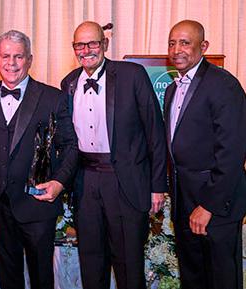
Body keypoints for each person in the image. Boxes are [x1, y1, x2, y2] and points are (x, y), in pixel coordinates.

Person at [61, 21, 168, 289]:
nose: (86, 50)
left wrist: (158, 187)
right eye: (79, 45)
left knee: (128, 263)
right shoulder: (69, 83)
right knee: (91, 260)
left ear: (105, 44)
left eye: (93, 43)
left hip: (125, 181)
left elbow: (155, 132)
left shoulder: (132, 75)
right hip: (85, 182)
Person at [0, 30, 78, 289]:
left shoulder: (52, 98)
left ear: (30, 59)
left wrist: (59, 183)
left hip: (37, 204)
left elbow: (71, 146)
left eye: (18, 57)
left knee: (40, 276)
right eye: (6, 56)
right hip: (0, 204)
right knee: (7, 274)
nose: (11, 63)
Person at [164, 20, 246, 289]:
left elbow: (232, 153)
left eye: (184, 42)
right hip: (185, 205)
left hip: (216, 208)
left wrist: (208, 207)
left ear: (203, 47)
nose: (176, 49)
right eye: (172, 43)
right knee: (193, 279)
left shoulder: (223, 85)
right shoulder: (171, 89)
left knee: (221, 280)